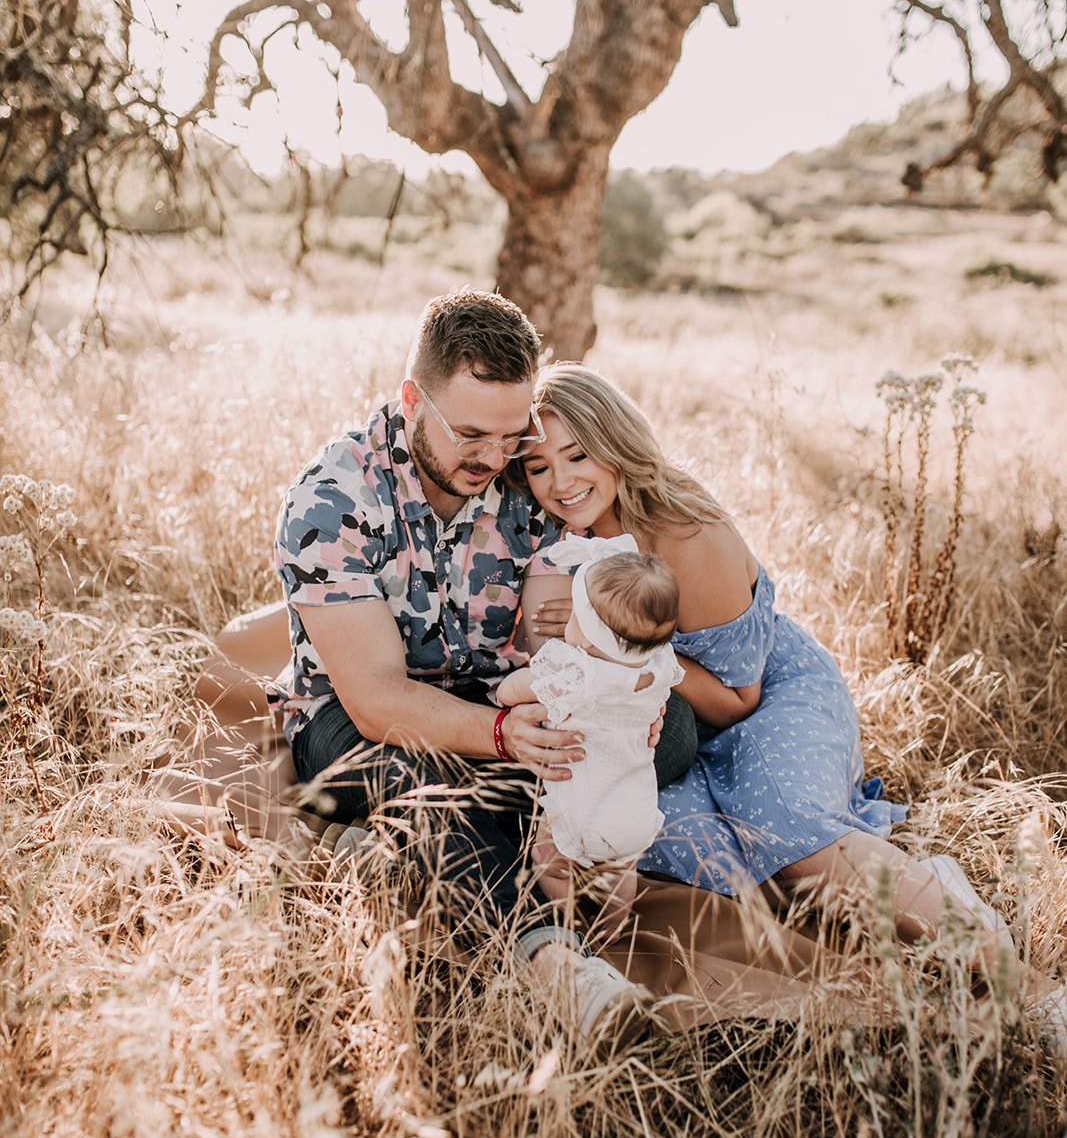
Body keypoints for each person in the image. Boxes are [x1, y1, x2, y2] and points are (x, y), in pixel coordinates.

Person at [513, 363, 1067, 1048]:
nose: (560, 482)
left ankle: (1026, 988)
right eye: (538, 467)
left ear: (616, 442)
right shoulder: (553, 540)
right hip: (656, 712)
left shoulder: (689, 536)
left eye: (577, 455)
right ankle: (906, 921)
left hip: (760, 693)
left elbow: (735, 699)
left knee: (783, 827)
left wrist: (639, 660)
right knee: (679, 848)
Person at [268, 288, 699, 1048]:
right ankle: (559, 969)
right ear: (411, 399)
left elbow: (563, 631)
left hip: (500, 696)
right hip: (360, 724)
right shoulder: (333, 497)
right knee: (411, 776)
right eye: (470, 434)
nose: (496, 459)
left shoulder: (522, 478)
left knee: (671, 735)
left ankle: (397, 853)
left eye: (511, 436)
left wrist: (611, 693)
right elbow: (372, 700)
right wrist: (502, 737)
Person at [496, 534, 683, 932]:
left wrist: (509, 688)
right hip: (634, 809)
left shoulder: (577, 674)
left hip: (580, 808)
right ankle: (612, 929)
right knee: (620, 875)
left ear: (586, 633)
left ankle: (568, 924)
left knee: (551, 863)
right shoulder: (659, 667)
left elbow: (514, 690)